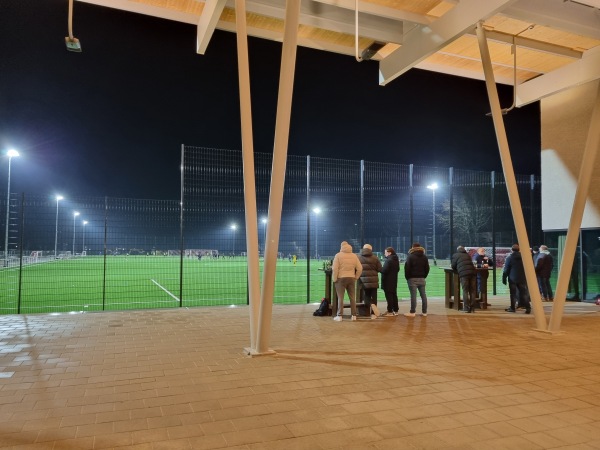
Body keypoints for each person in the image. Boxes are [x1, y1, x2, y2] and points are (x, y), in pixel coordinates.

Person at [332, 241, 363, 322]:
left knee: (340, 298)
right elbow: (360, 268)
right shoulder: (354, 256)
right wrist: (356, 277)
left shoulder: (338, 255)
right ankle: (354, 315)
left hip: (340, 279)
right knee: (352, 298)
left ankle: (340, 316)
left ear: (341, 247)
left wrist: (334, 279)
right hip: (351, 278)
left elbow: (335, 269)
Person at [502, 244, 531, 314]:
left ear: (512, 250)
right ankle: (528, 307)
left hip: (512, 278)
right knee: (524, 293)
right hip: (522, 278)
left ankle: (512, 308)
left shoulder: (510, 258)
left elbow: (506, 269)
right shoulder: (524, 257)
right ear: (519, 249)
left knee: (513, 294)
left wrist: (504, 278)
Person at [403, 242, 429, 317]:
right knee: (423, 295)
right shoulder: (424, 257)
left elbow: (407, 268)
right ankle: (424, 312)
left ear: (412, 248)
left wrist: (408, 277)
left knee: (413, 296)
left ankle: (412, 312)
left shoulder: (410, 257)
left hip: (412, 278)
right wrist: (424, 276)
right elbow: (427, 268)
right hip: (422, 278)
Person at [357, 244, 382, 319]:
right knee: (374, 297)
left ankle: (369, 308)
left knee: (366, 296)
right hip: (374, 280)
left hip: (363, 280)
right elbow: (379, 269)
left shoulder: (358, 257)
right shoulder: (375, 258)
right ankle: (373, 314)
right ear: (371, 249)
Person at [451, 245, 477, 313]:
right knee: (472, 291)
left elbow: (453, 265)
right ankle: (472, 308)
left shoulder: (455, 255)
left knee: (465, 290)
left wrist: (456, 270)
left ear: (458, 250)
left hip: (464, 274)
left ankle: (466, 308)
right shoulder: (467, 255)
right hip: (473, 273)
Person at [380, 247, 400, 316]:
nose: (384, 254)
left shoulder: (389, 260)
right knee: (394, 295)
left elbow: (384, 270)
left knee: (389, 296)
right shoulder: (396, 260)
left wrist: (380, 268)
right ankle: (396, 310)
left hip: (387, 281)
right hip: (394, 280)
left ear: (389, 253)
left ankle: (390, 311)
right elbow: (398, 269)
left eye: (385, 252)